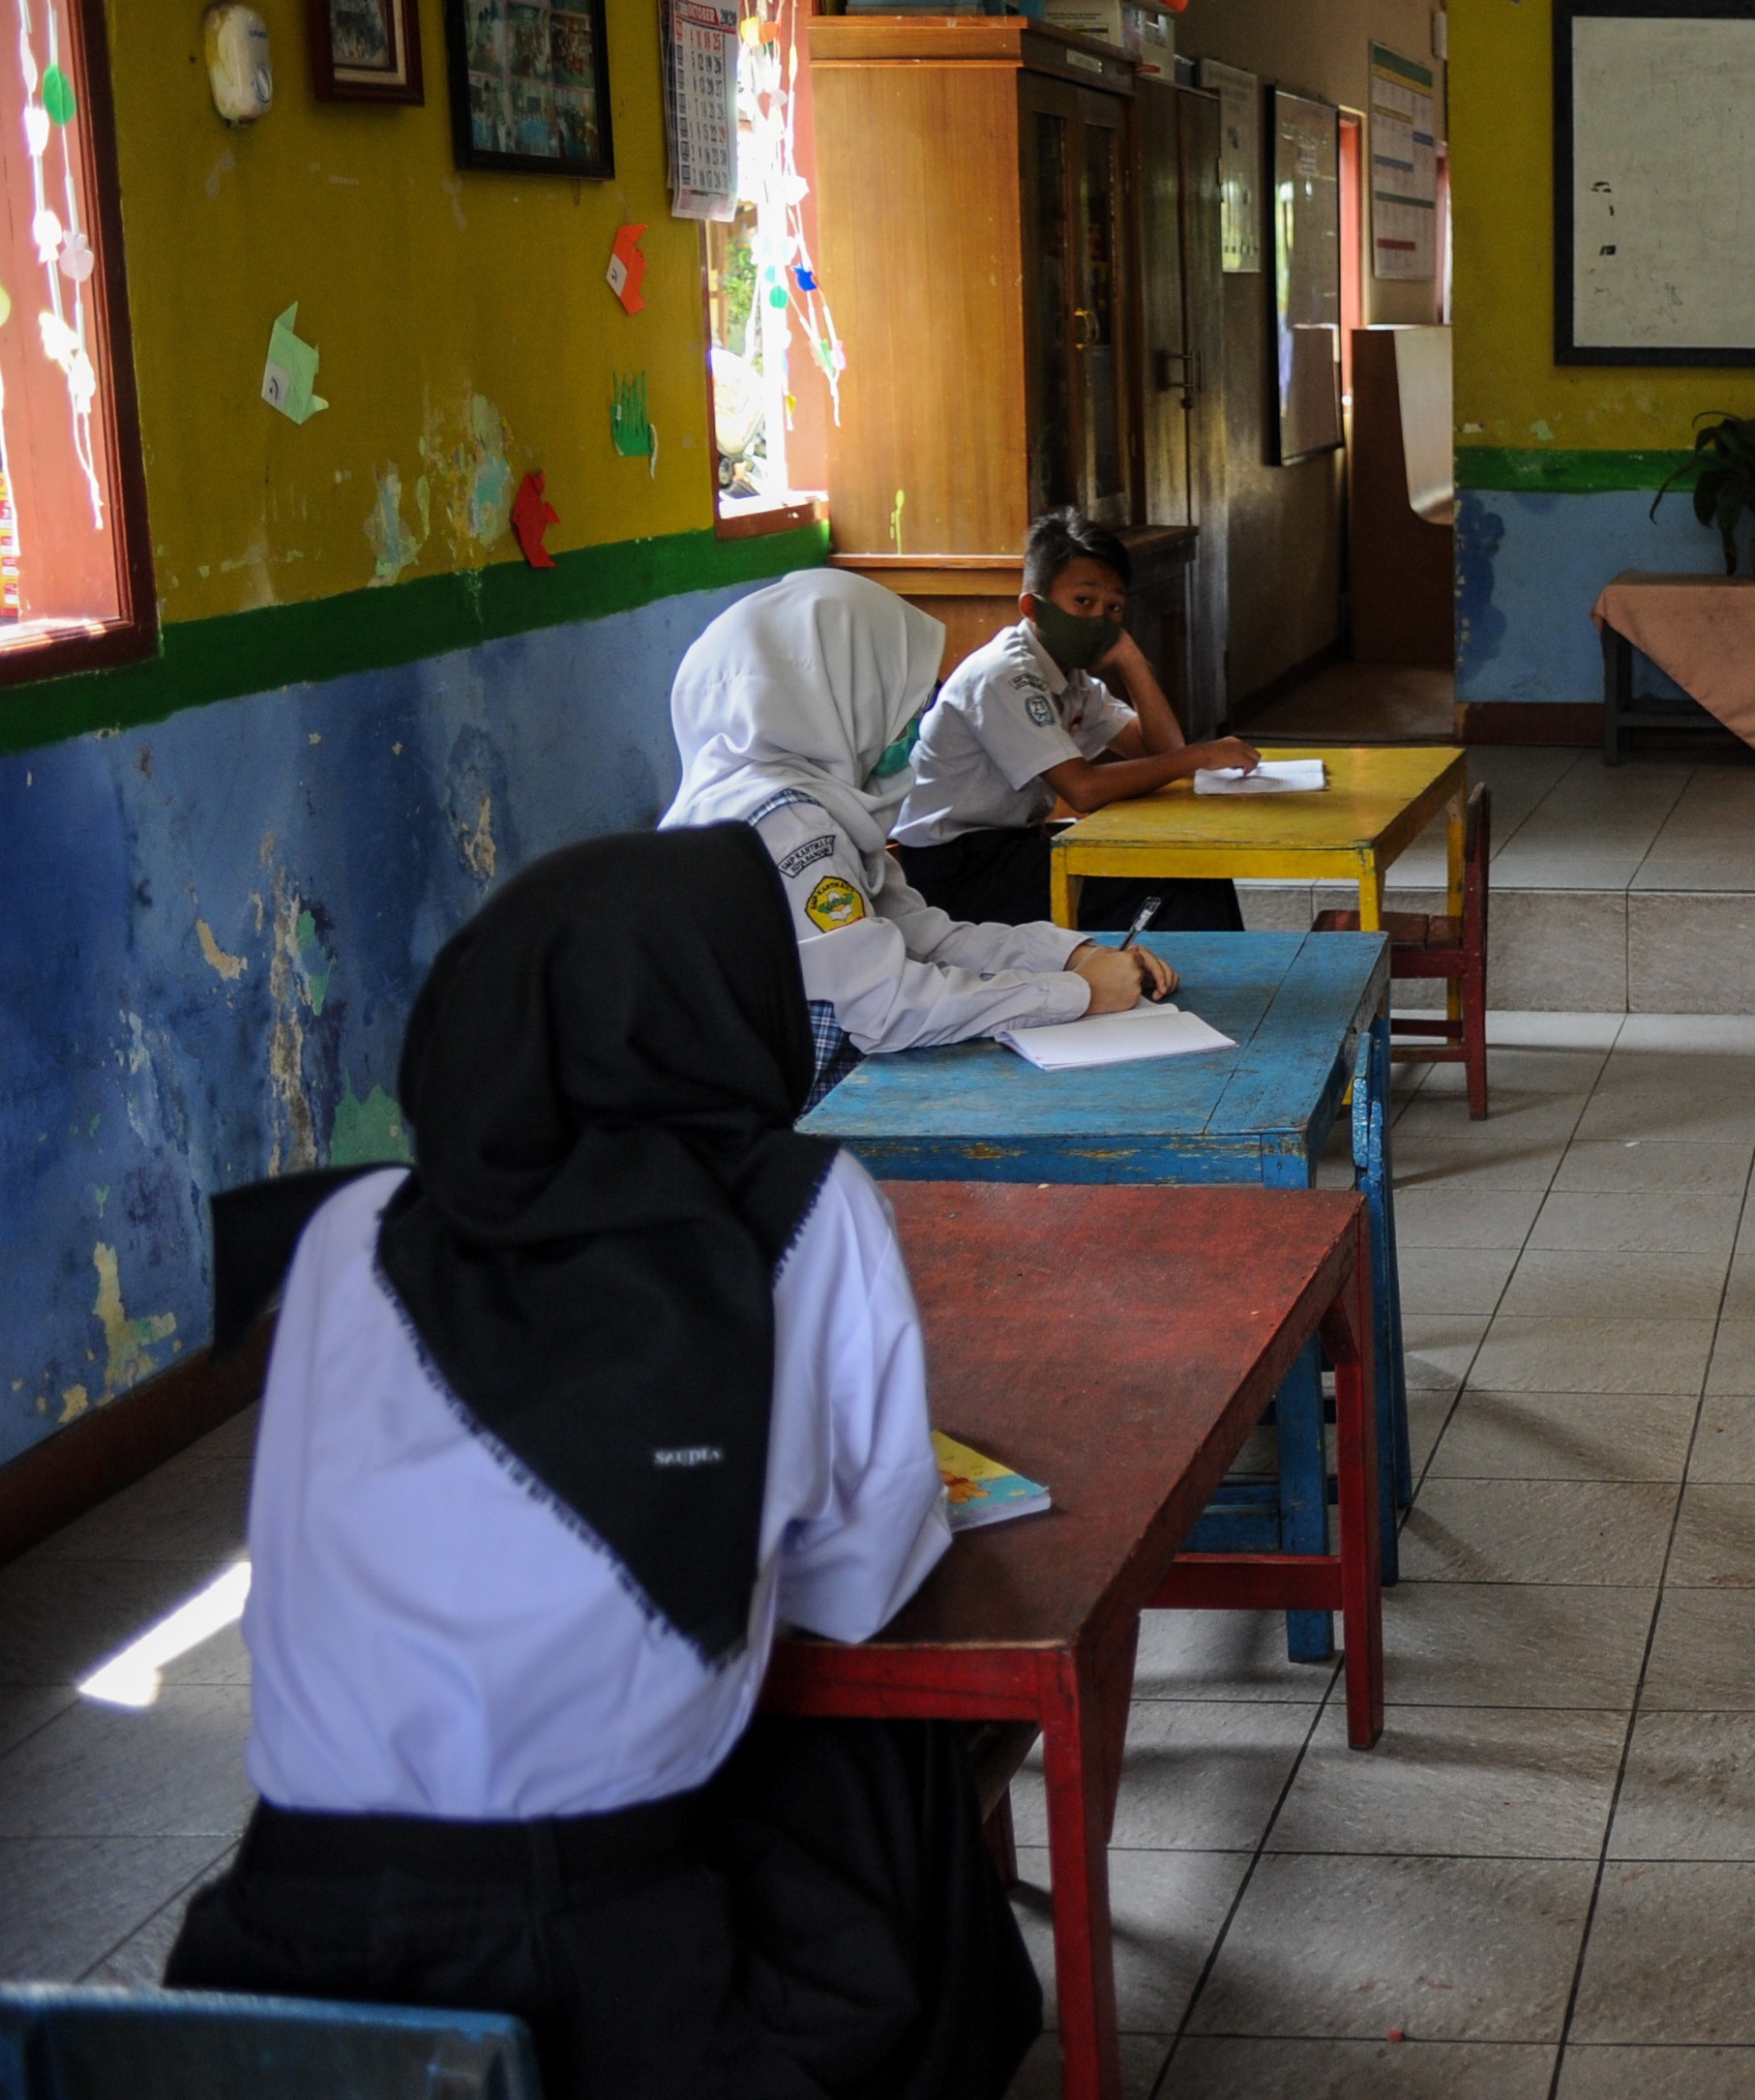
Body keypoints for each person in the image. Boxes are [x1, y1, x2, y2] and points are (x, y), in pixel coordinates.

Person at [167, 827, 1043, 2100]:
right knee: (883, 1746)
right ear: (731, 1009)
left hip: (277, 1924)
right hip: (589, 1942)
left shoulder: (343, 1228)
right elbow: (857, 1584)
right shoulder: (800, 1208)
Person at [664, 568, 1164, 1079]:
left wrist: (1070, 954)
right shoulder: (788, 823)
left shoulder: (819, 803)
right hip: (802, 1107)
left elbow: (923, 937)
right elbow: (884, 1008)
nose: (913, 724)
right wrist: (1074, 994)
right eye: (902, 698)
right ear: (842, 691)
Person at [890, 509, 1259, 932]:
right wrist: (1203, 755)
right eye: (1083, 602)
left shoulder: (1072, 679)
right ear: (1033, 607)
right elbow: (1083, 789)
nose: (1099, 618)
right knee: (1180, 883)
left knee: (1195, 866)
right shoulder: (1006, 674)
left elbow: (1165, 754)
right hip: (957, 871)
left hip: (1011, 849)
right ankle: (1202, 993)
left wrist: (1131, 659)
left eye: (1114, 607)